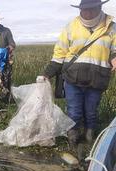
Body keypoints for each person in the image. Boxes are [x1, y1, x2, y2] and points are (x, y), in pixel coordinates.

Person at [43, 0, 116, 147]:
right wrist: (46, 74)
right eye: (84, 10)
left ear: (99, 8)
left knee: (91, 112)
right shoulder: (71, 27)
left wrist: (114, 57)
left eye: (91, 9)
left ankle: (90, 139)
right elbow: (59, 54)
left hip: (97, 80)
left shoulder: (112, 27)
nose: (87, 13)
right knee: (74, 111)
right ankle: (73, 141)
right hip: (72, 79)